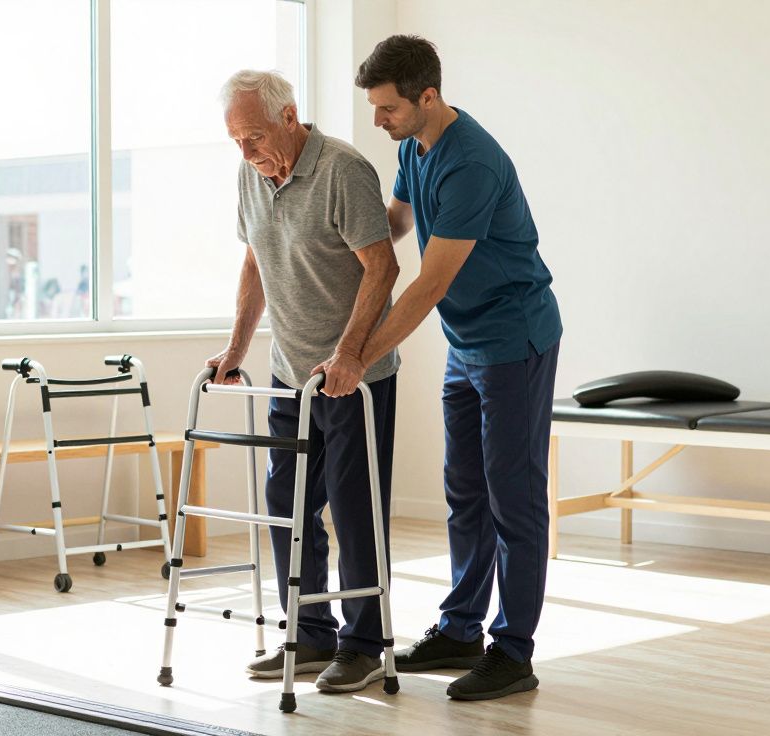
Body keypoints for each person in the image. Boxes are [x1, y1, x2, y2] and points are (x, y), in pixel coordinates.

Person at [353, 34, 563, 701]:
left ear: (428, 96)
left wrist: (361, 355)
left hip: (513, 340)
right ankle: (461, 627)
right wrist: (339, 245)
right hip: (465, 344)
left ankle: (513, 650)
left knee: (514, 496)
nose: (378, 121)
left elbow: (428, 285)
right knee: (465, 490)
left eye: (387, 109)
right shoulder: (414, 149)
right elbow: (394, 224)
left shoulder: (470, 161)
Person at [208, 69, 401, 693]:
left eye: (255, 135)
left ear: (290, 116)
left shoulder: (342, 170)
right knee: (287, 506)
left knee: (353, 510)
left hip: (355, 378)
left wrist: (349, 355)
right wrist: (235, 351)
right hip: (291, 373)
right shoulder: (250, 174)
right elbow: (255, 261)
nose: (246, 151)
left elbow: (382, 266)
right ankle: (310, 633)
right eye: (236, 139)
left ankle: (364, 643)